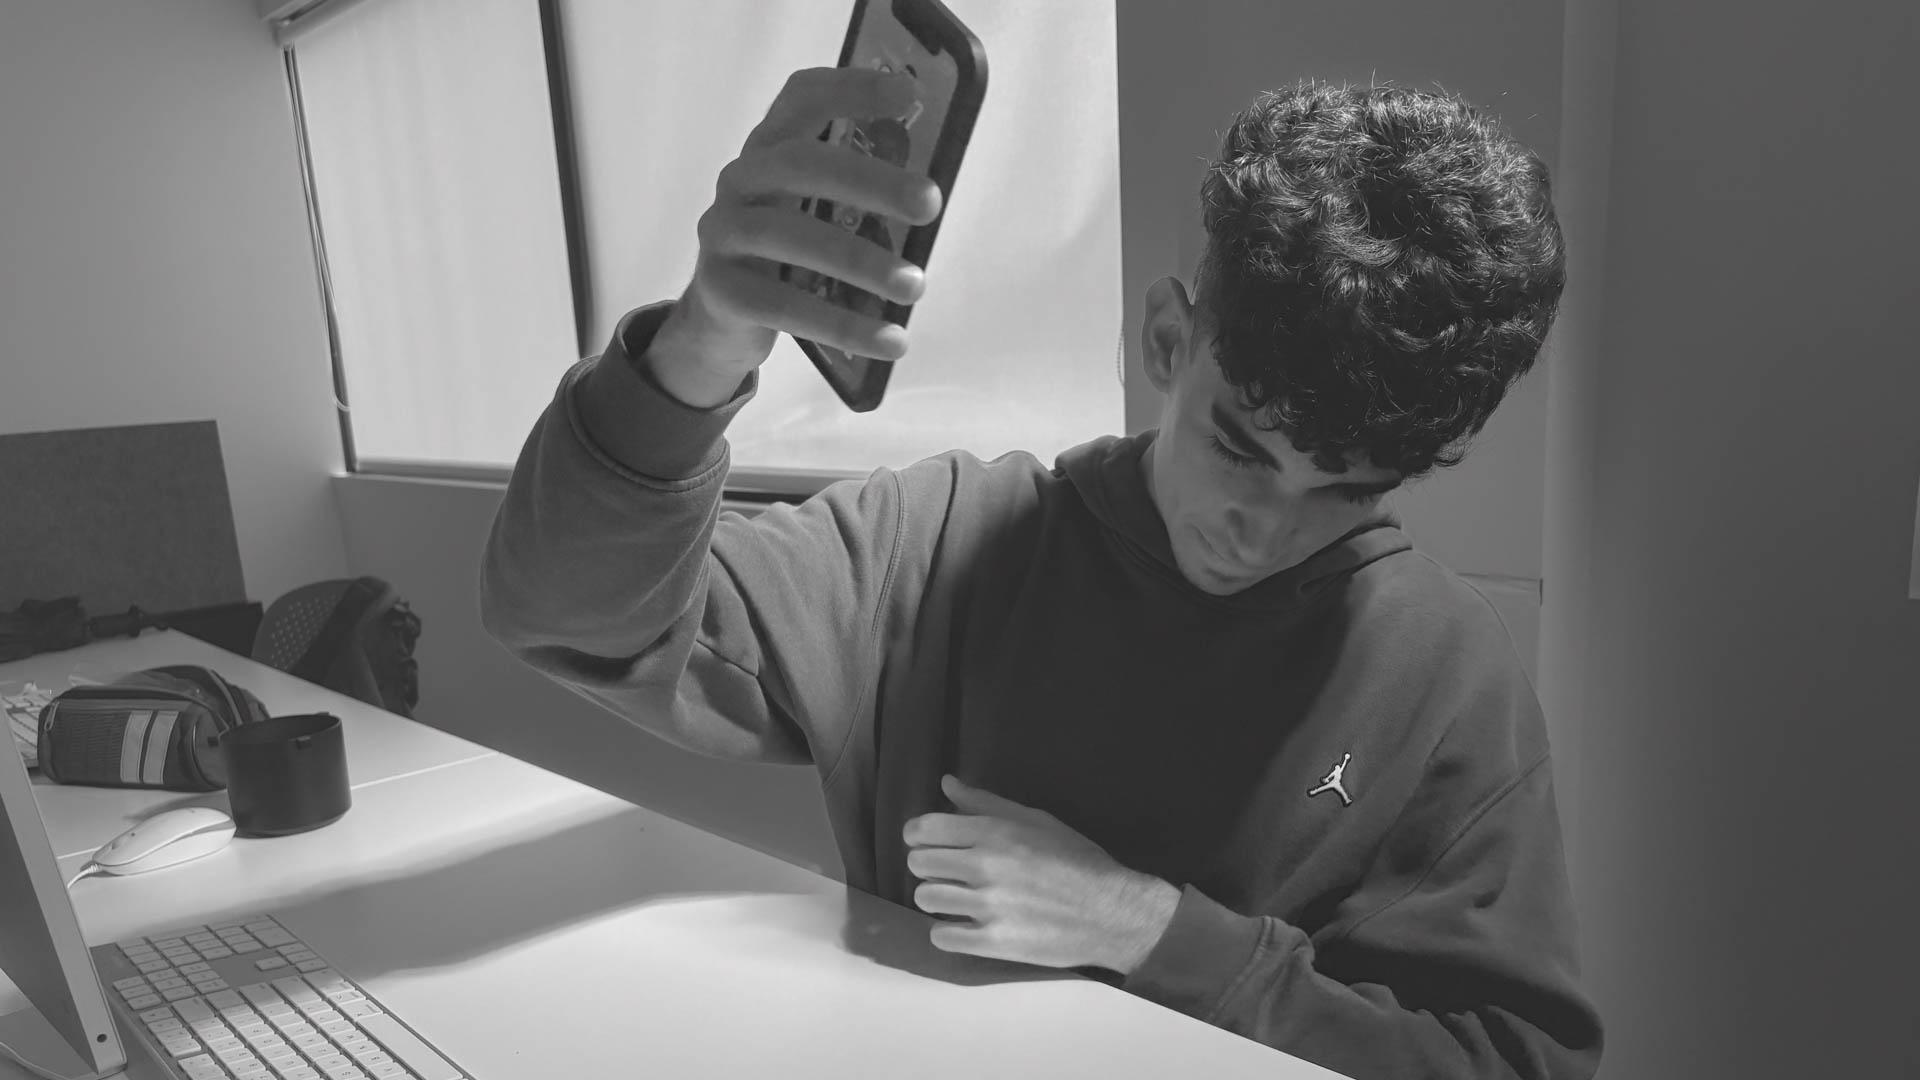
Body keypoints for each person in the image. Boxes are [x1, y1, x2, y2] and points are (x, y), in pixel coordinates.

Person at [479, 65, 1603, 1079]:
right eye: (1238, 451)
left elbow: (1511, 1062)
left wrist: (1150, 929)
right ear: (1167, 343)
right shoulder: (943, 539)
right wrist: (703, 342)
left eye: (1344, 493)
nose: (1261, 535)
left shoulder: (1448, 673)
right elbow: (573, 619)